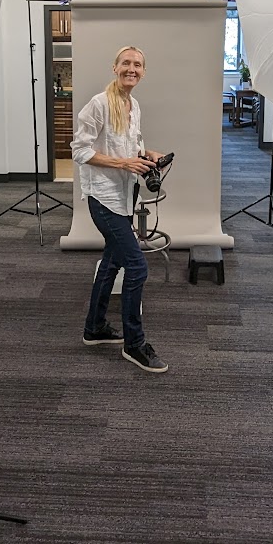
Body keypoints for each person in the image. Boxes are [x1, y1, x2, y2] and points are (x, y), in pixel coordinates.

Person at [72, 45, 169, 373]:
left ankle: (94, 328)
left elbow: (132, 145)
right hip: (104, 199)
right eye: (126, 62)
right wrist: (123, 163)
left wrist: (147, 154)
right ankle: (134, 344)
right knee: (137, 268)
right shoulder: (98, 105)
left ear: (143, 72)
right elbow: (80, 150)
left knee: (111, 264)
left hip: (126, 197)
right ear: (115, 67)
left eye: (138, 64)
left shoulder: (133, 104)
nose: (132, 68)